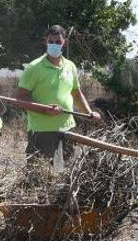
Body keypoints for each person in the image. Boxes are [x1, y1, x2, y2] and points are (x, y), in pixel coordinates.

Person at [15, 25, 101, 162]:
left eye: (58, 42)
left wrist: (89, 113)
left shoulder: (70, 66)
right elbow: (20, 98)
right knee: (40, 177)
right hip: (42, 131)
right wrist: (45, 109)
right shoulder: (34, 67)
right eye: (51, 41)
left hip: (67, 129)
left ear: (64, 42)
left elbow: (76, 94)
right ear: (46, 42)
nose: (54, 45)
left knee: (64, 175)